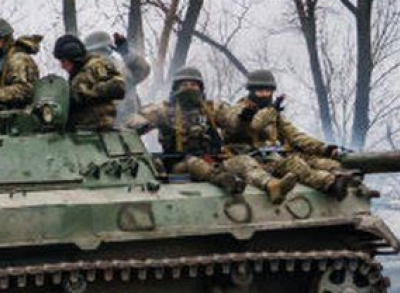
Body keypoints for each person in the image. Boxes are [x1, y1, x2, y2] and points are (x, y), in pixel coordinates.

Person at [125, 66, 298, 204]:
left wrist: (245, 116)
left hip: (215, 161)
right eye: (184, 84)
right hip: (179, 164)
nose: (189, 88)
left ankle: (272, 186)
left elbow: (232, 121)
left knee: (244, 161)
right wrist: (140, 123)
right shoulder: (163, 110)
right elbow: (135, 120)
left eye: (194, 85)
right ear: (176, 88)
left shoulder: (212, 108)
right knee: (194, 163)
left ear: (201, 88)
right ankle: (224, 181)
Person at [218, 69, 360, 198]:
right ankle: (328, 183)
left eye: (268, 91)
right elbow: (251, 125)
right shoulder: (238, 110)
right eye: (260, 91)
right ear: (251, 91)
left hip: (273, 157)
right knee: (292, 164)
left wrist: (323, 148)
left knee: (306, 161)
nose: (265, 95)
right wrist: (268, 111)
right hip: (250, 160)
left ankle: (337, 179)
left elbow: (295, 136)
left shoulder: (274, 114)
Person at [53, 34, 127, 131]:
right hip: (80, 129)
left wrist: (85, 94)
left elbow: (119, 87)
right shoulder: (78, 74)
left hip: (97, 127)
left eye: (64, 61)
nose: (62, 66)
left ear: (74, 57)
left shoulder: (96, 65)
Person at [83, 29, 152, 126]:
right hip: (105, 128)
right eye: (97, 52)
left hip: (129, 124)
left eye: (104, 51)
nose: (101, 56)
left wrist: (126, 53)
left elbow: (143, 69)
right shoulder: (87, 75)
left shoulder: (121, 70)